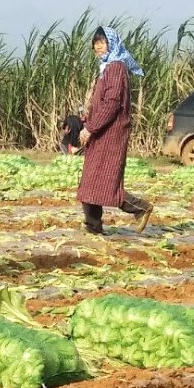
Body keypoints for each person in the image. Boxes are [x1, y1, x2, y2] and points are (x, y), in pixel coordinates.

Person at [77, 27, 152, 235]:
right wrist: (86, 119)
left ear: (112, 43)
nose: (98, 47)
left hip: (110, 134)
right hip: (101, 133)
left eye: (102, 42)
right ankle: (93, 227)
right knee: (90, 184)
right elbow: (101, 103)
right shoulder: (106, 68)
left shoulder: (116, 67)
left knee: (105, 183)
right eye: (95, 43)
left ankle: (141, 208)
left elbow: (111, 104)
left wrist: (91, 128)